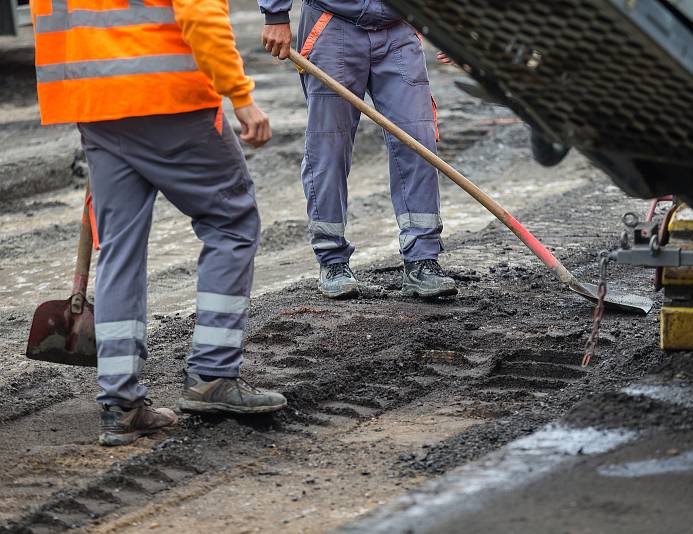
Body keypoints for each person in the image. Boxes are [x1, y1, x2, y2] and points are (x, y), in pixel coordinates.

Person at [32, 0, 287, 446]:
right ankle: (213, 374)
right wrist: (241, 97)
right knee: (231, 219)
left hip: (93, 102)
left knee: (118, 247)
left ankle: (120, 403)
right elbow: (201, 15)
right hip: (168, 98)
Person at [260, 0, 458, 299]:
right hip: (332, 24)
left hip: (399, 26)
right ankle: (332, 261)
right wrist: (275, 14)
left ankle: (422, 260)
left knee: (418, 141)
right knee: (328, 147)